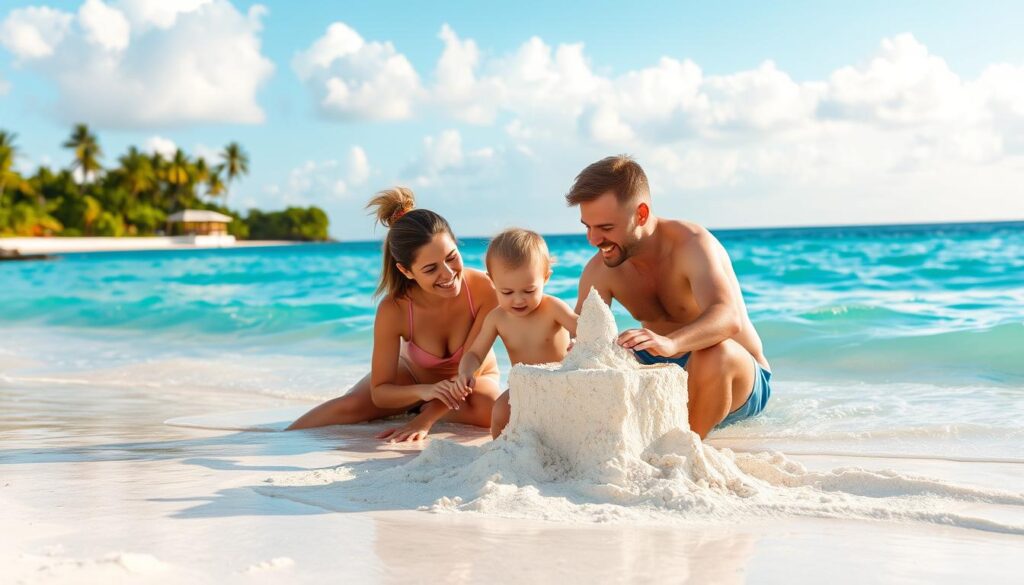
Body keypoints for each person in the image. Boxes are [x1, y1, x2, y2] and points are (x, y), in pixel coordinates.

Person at [567, 155, 771, 439]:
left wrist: (671, 342)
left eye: (605, 228)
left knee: (715, 352)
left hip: (738, 378)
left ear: (640, 214)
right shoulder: (601, 269)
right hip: (666, 374)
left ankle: (682, 448)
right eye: (587, 226)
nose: (593, 239)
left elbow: (728, 317)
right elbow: (582, 337)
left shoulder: (692, 245)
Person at [287, 187, 501, 441]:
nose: (447, 274)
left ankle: (422, 410)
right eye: (431, 269)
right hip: (413, 380)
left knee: (491, 411)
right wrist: (426, 391)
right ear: (407, 271)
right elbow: (380, 392)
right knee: (349, 407)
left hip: (475, 379)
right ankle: (280, 437)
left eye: (452, 257)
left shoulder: (484, 289)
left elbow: (469, 371)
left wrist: (425, 419)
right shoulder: (395, 309)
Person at [456, 228, 578, 438]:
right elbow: (475, 354)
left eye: (529, 291)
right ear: (492, 281)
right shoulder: (497, 318)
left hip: (562, 383)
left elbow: (587, 329)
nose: (518, 299)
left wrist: (580, 342)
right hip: (524, 387)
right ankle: (502, 451)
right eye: (507, 292)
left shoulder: (553, 308)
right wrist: (465, 372)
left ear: (546, 278)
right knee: (500, 411)